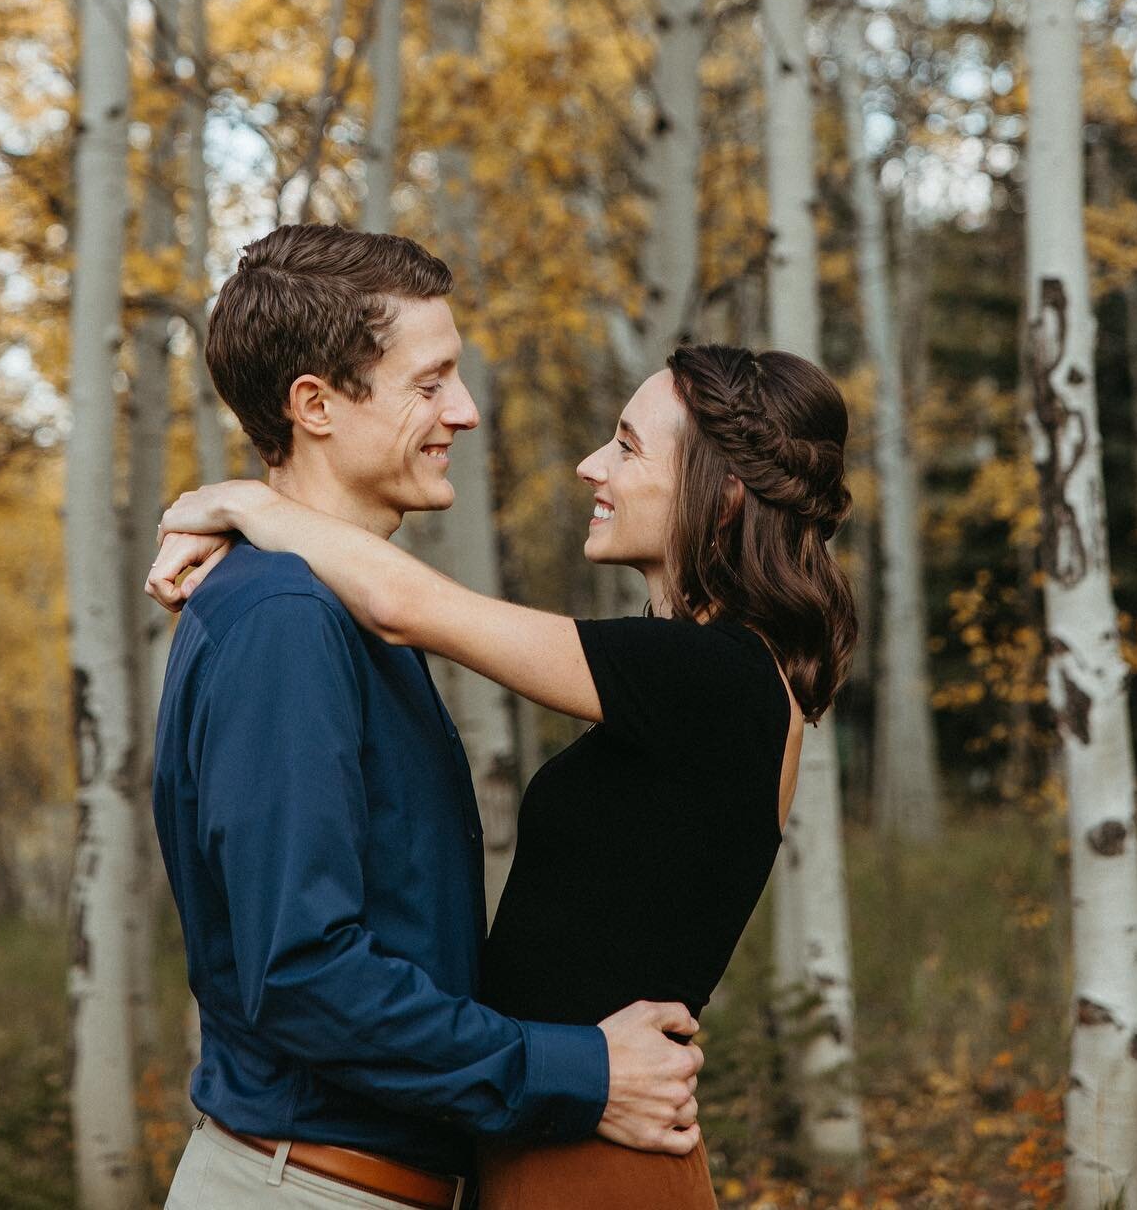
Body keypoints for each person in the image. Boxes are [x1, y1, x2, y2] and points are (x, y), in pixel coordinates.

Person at [151, 336, 859, 1210]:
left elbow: (403, 606)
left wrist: (247, 506)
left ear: (725, 498)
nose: (590, 463)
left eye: (629, 447)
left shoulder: (718, 679)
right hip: (560, 1132)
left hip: (595, 1159)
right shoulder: (712, 681)